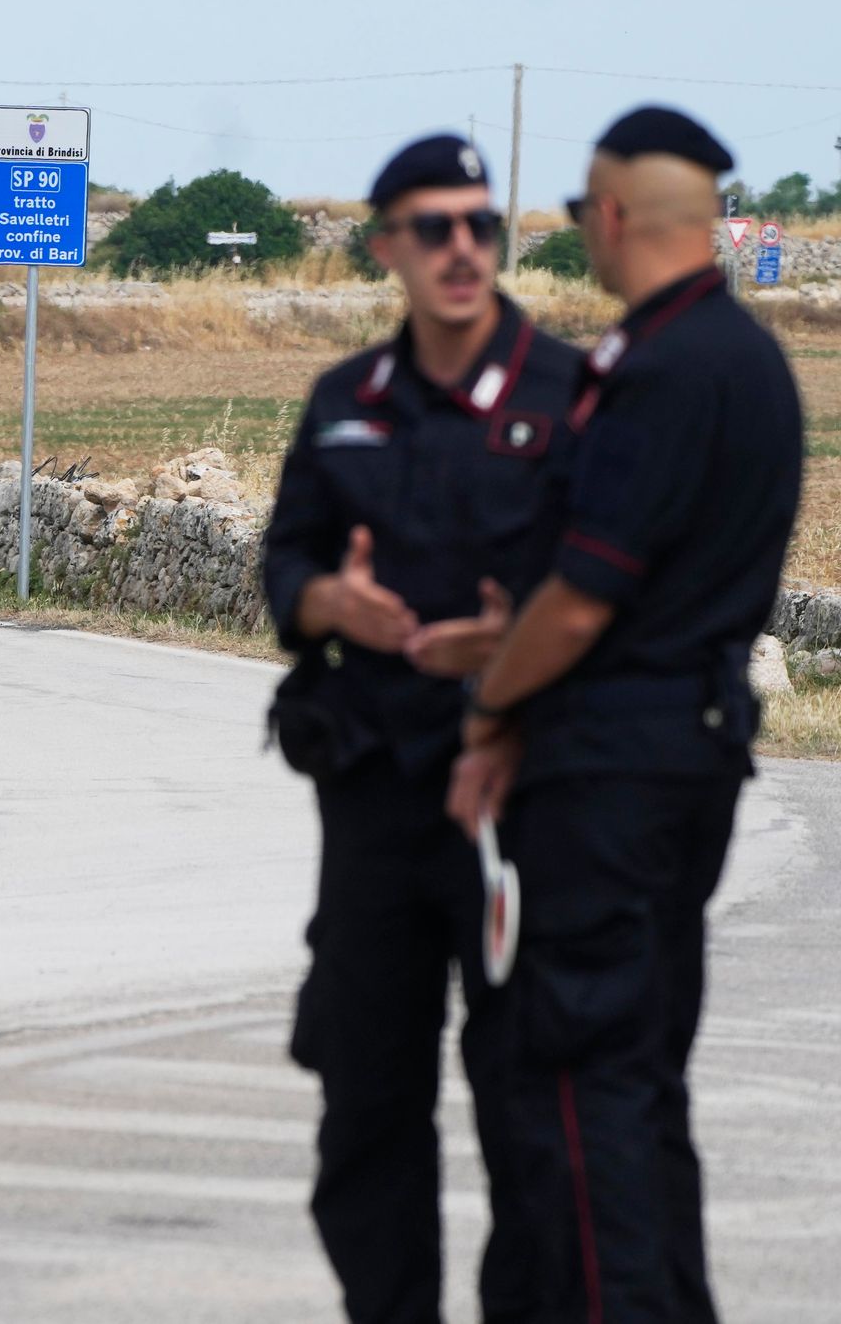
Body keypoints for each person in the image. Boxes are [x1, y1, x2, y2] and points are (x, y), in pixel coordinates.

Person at [448, 107, 803, 1323]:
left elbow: (587, 596)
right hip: (679, 756)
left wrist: (490, 712)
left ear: (612, 218)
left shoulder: (659, 370)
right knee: (637, 1089)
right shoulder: (743, 359)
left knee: (579, 1091)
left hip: (610, 777)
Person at [262, 134, 586, 1324]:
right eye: (433, 227)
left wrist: (512, 649)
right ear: (386, 245)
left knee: (531, 1117)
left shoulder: (568, 394)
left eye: (479, 224)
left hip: (523, 801)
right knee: (365, 1109)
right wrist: (327, 603)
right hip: (377, 799)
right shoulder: (343, 404)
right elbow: (283, 563)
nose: (462, 248)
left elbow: (614, 582)